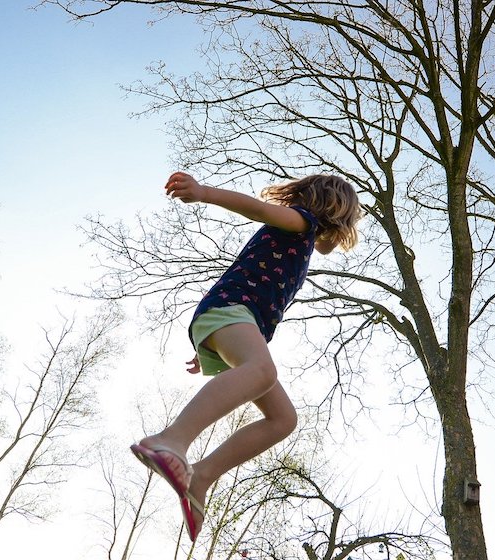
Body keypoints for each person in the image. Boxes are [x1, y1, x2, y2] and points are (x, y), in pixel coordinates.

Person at [130, 171, 363, 541]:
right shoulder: (301, 220)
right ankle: (171, 439)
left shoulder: (304, 236)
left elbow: (326, 247)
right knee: (262, 370)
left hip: (234, 321)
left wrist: (213, 344)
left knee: (283, 419)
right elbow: (256, 208)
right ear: (333, 210)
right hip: (232, 311)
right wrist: (204, 192)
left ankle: (200, 477)